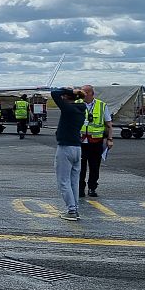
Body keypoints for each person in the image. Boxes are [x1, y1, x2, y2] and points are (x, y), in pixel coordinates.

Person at [52, 87, 87, 221]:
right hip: (77, 148)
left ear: (66, 97)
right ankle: (74, 208)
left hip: (65, 147)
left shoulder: (68, 109)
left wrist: (70, 91)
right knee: (74, 181)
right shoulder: (81, 109)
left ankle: (71, 210)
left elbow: (54, 93)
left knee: (63, 181)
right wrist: (73, 93)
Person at [78, 84, 114, 198]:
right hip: (80, 141)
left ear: (91, 94)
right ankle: (80, 188)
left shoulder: (102, 105)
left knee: (94, 166)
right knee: (80, 167)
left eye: (85, 92)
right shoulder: (77, 104)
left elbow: (108, 124)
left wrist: (110, 139)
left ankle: (92, 188)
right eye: (81, 92)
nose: (83, 94)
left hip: (95, 141)